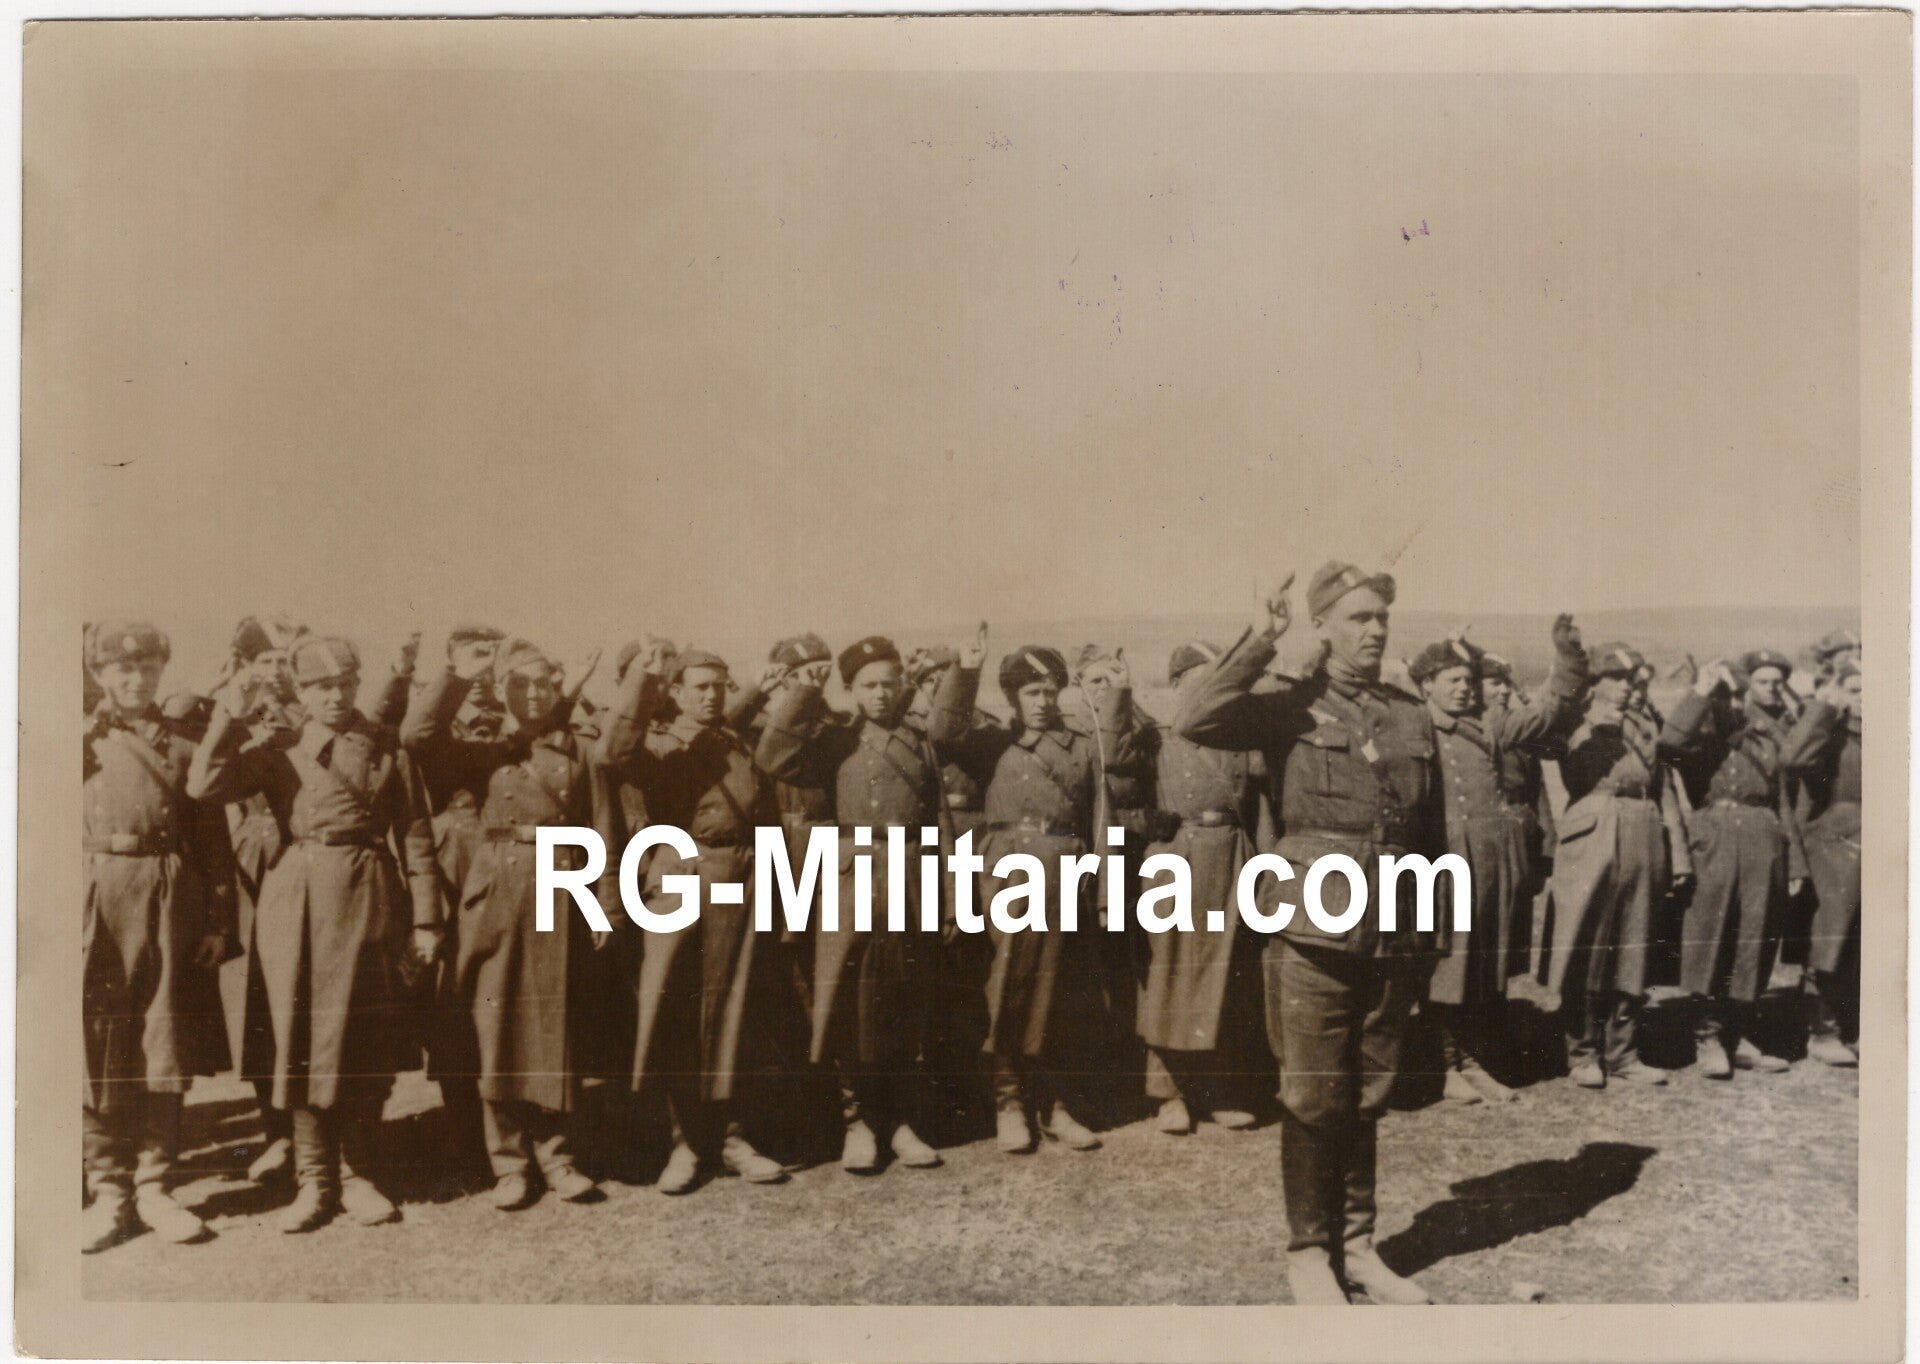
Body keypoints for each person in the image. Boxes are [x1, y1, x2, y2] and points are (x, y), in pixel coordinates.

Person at [1177, 563, 1442, 1307]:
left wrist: (1433, 927)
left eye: (1382, 617)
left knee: (1368, 1093)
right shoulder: (1287, 705)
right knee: (1316, 1094)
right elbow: (1194, 716)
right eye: (1358, 618)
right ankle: (1309, 1256)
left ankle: (1358, 1246)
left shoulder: (1407, 713)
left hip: (1392, 923)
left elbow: (1432, 832)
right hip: (1311, 925)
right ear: (1321, 623)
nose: (1376, 629)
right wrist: (1263, 638)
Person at [188, 635, 444, 1233]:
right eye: (320, 688)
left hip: (368, 898)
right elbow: (203, 788)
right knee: (300, 1043)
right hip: (294, 906)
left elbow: (415, 833)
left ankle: (358, 1177)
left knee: (362, 1041)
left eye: (343, 685)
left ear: (358, 683)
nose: (334, 697)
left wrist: (427, 919)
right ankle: (314, 1181)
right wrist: (227, 715)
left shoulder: (386, 746)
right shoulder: (278, 747)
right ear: (300, 692)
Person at [756, 626, 988, 1173]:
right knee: (848, 1005)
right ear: (851, 691)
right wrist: (803, 694)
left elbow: (942, 822)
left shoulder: (920, 739)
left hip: (912, 874)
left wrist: (952, 899)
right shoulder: (833, 737)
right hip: (848, 876)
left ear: (901, 684)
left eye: (888, 683)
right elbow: (772, 757)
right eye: (867, 685)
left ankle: (901, 1121)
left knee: (908, 1000)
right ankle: (857, 1121)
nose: (880, 694)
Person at [403, 636, 621, 1209]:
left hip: (561, 885)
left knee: (554, 1027)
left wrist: (604, 904)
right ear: (502, 690)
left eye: (542, 683)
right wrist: (455, 676)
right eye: (518, 684)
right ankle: (510, 1165)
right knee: (494, 1031)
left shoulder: (578, 748)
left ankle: (559, 1159)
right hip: (495, 892)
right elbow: (416, 738)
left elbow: (602, 829)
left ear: (557, 687)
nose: (532, 694)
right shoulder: (485, 750)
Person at [599, 643, 790, 1193]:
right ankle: (684, 1144)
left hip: (738, 878)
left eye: (718, 687)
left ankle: (731, 1137)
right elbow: (610, 754)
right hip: (679, 879)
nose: (710, 696)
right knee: (675, 1015)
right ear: (675, 693)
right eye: (698, 687)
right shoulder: (654, 743)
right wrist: (642, 680)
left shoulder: (735, 739)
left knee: (732, 1012)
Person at [82, 622, 239, 1252]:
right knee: (95, 1048)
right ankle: (109, 1191)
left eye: (147, 668)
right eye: (121, 670)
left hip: (172, 896)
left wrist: (218, 918)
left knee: (164, 1041)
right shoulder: (75, 739)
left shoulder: (182, 743)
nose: (135, 679)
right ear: (98, 675)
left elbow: (212, 836)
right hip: (95, 895)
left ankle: (154, 1186)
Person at [978, 645, 1147, 1156]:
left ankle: (1056, 1106)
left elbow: (1101, 816)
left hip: (1069, 875)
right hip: (1011, 873)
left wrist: (1100, 888)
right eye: (1031, 692)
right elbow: (945, 729)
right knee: (1010, 989)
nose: (1043, 702)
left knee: (1065, 995)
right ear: (1013, 696)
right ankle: (1010, 1105)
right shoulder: (993, 741)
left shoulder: (1082, 745)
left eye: (1050, 691)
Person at [1410, 618, 1587, 1104]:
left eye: (1469, 680)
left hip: (1486, 865)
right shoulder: (1413, 725)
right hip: (1440, 864)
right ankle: (1445, 1065)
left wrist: (1568, 658)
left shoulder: (1488, 726)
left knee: (1481, 968)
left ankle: (1472, 1062)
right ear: (1426, 684)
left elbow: (1549, 713)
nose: (1466, 690)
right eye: (1454, 680)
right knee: (1447, 968)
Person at [1540, 642, 1687, 1092]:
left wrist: (1677, 853)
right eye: (1616, 679)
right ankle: (1583, 1052)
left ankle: (1623, 1052)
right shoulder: (1575, 722)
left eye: (1631, 679)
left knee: (1635, 945)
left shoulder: (1646, 723)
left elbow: (1665, 788)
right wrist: (1592, 725)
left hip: (1644, 831)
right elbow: (1565, 763)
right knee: (1587, 943)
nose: (1626, 687)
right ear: (1595, 682)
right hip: (1594, 832)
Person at [1137, 642, 1265, 1135]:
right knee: (1171, 975)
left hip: (1233, 858)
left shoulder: (1241, 740)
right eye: (1200, 678)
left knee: (1228, 980)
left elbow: (1261, 810)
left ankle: (1219, 1090)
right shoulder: (1157, 737)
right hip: (1178, 862)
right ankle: (1168, 1093)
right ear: (1176, 686)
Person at [1658, 653, 1807, 1077]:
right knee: (1711, 938)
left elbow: (1783, 802)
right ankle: (1707, 1037)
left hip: (1764, 842)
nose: (1732, 705)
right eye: (1723, 698)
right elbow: (1669, 743)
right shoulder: (1700, 742)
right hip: (1715, 840)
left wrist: (1794, 862)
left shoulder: (1767, 738)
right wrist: (1700, 692)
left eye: (1737, 696)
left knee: (1754, 941)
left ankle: (1735, 1034)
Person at [1783, 659, 1862, 1066]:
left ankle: (1857, 1028)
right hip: (1833, 848)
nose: (1864, 697)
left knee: (1868, 943)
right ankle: (1823, 1030)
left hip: (1878, 847)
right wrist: (1824, 706)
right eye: (1855, 689)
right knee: (1829, 944)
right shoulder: (1827, 732)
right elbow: (1794, 758)